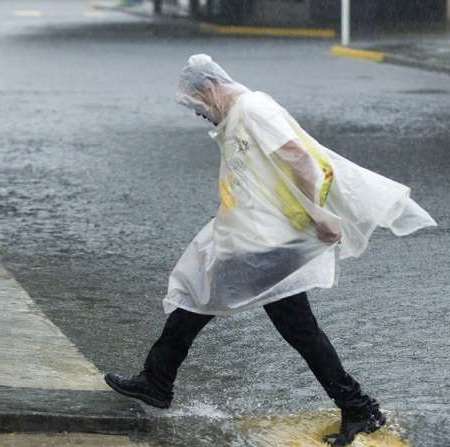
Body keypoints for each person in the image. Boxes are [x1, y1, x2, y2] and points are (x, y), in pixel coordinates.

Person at [105, 54, 437, 446]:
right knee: (218, 303)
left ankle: (359, 407)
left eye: (198, 105)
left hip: (270, 242)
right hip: (256, 236)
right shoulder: (239, 114)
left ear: (209, 88)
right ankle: (157, 380)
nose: (201, 114)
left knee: (219, 304)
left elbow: (299, 157)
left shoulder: (253, 108)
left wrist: (318, 213)